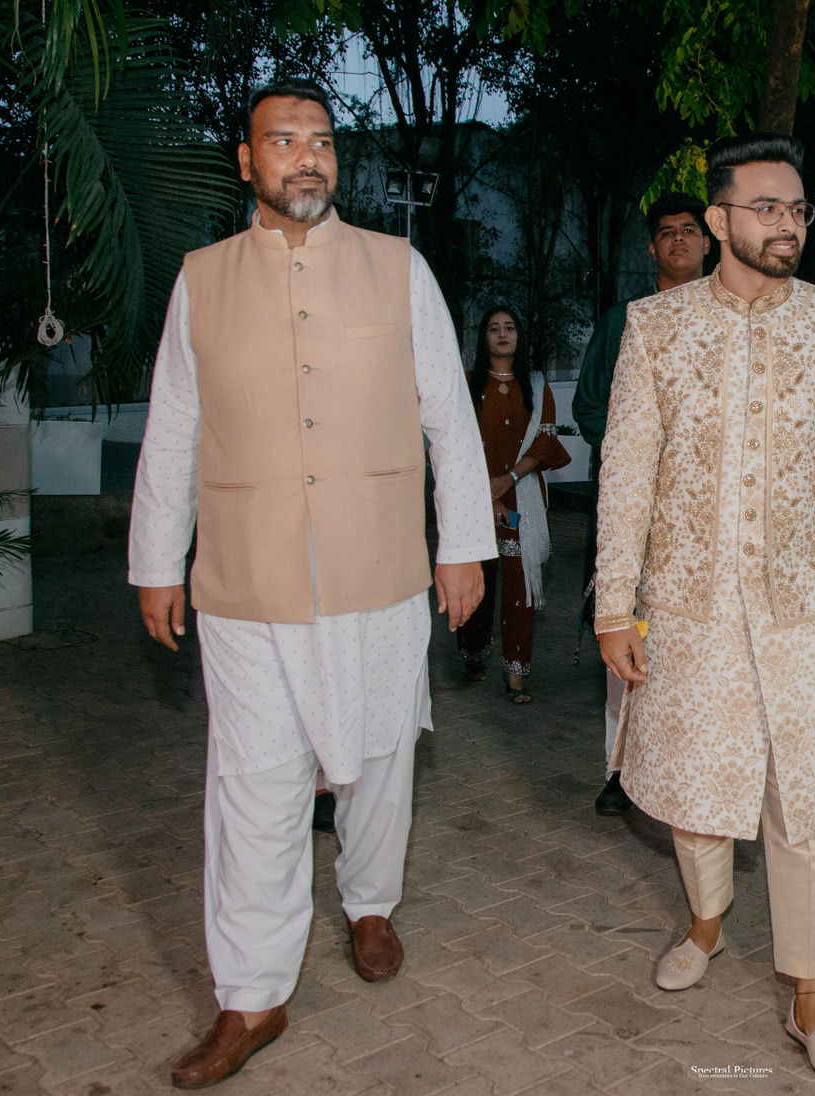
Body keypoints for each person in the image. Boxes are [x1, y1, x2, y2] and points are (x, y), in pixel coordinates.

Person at [129, 78, 494, 1088]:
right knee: (253, 783)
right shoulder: (201, 280)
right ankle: (252, 995)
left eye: (322, 140)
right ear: (246, 161)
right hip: (246, 581)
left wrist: (463, 544)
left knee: (379, 755)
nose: (307, 156)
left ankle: (370, 903)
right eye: (284, 140)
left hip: (378, 570)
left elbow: (448, 413)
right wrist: (156, 561)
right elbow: (172, 431)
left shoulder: (398, 267)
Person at [594, 133, 815, 1082]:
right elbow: (626, 472)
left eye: (797, 209)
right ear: (719, 220)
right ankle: (707, 921)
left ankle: (810, 996)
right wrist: (614, 604)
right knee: (696, 790)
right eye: (766, 208)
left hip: (809, 609)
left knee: (804, 802)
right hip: (690, 608)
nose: (787, 225)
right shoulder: (656, 327)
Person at [572, 193, 709, 814]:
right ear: (652, 249)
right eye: (667, 232)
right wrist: (648, 452)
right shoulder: (621, 322)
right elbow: (589, 407)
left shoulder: (731, 319)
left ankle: (697, 768)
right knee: (625, 630)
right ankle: (620, 769)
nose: (679, 239)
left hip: (710, 517)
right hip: (638, 511)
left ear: (709, 242)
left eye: (689, 230)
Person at [459, 306, 570, 703]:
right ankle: (473, 652)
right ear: (483, 338)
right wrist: (485, 491)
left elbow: (545, 443)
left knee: (521, 584)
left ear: (519, 336)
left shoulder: (536, 386)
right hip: (472, 495)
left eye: (509, 327)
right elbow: (455, 444)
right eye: (494, 328)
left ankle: (516, 671)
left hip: (521, 494)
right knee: (476, 578)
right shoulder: (467, 384)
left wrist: (508, 479)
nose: (502, 334)